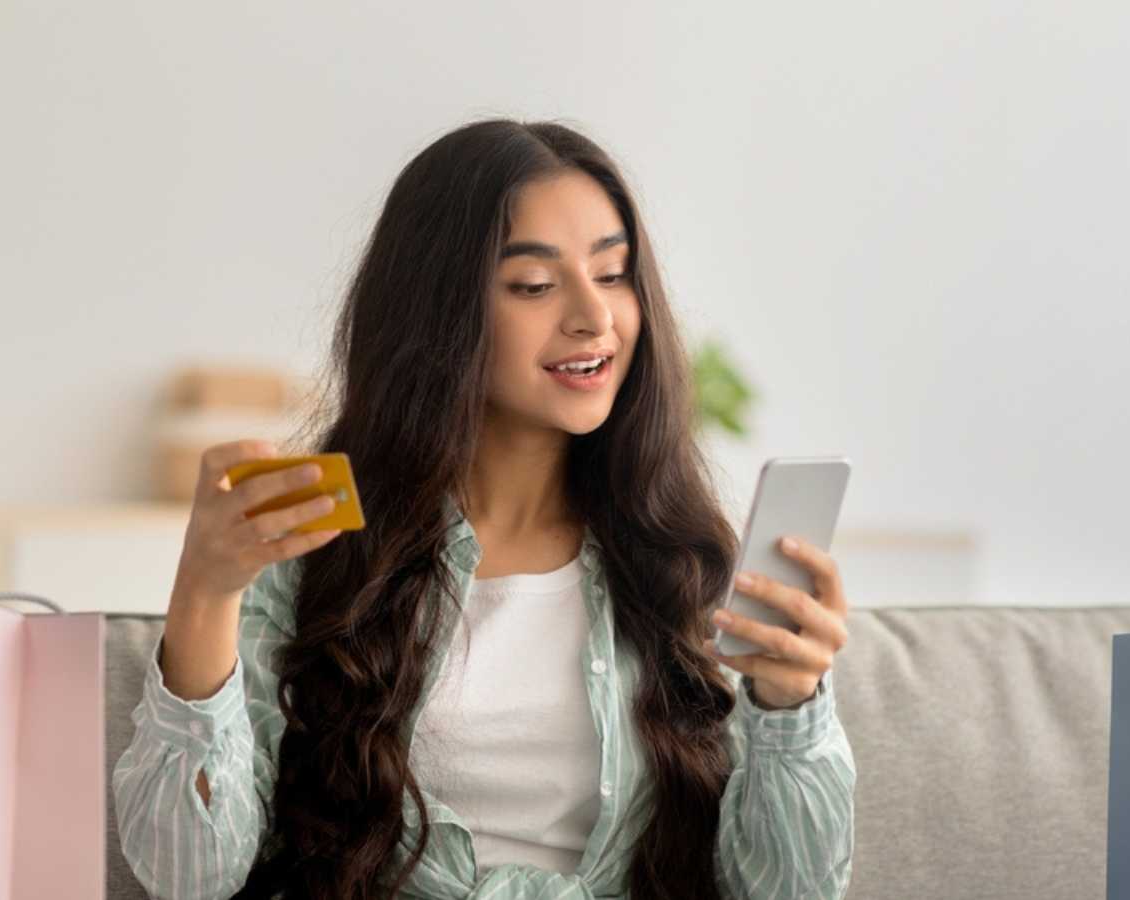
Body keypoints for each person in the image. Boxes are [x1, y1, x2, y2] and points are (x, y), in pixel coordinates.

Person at [112, 118, 856, 900]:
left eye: (612, 273)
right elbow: (187, 875)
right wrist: (204, 590)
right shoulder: (322, 551)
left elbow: (792, 892)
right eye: (534, 286)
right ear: (437, 313)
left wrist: (789, 706)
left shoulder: (680, 563)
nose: (593, 318)